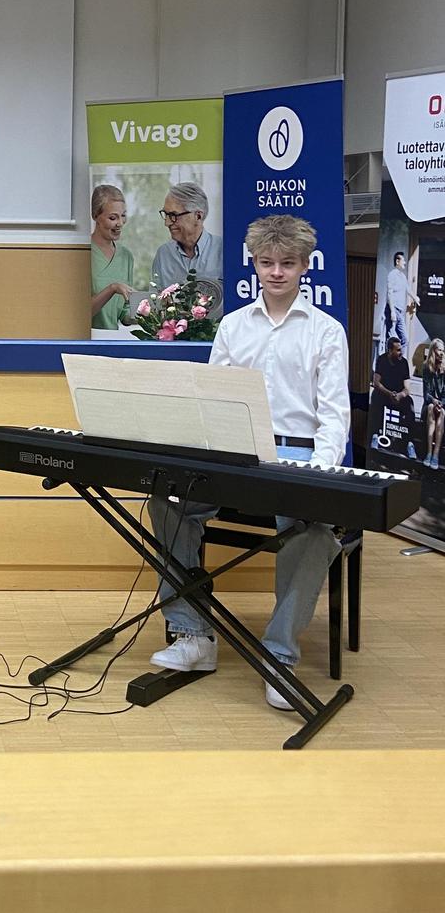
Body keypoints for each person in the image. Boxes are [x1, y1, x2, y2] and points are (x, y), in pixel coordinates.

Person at [148, 215, 350, 712]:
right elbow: (214, 402)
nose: (276, 272)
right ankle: (194, 634)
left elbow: (334, 415)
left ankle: (278, 655)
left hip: (300, 453)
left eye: (287, 263)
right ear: (254, 265)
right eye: (267, 263)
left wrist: (319, 471)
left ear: (305, 266)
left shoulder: (327, 332)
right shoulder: (233, 325)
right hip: (237, 450)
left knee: (314, 529)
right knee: (168, 501)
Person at [150, 182, 223, 303]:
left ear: (198, 216)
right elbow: (155, 302)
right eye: (166, 215)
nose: (167, 223)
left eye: (173, 215)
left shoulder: (223, 250)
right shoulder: (163, 254)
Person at [90, 184, 134, 330]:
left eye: (123, 216)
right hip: (84, 338)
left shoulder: (126, 257)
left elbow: (124, 315)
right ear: (95, 216)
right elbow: (78, 313)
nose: (120, 223)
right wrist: (112, 288)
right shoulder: (83, 254)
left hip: (111, 338)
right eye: (113, 218)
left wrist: (149, 313)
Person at [370, 337, 418, 460]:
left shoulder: (404, 363)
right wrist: (389, 393)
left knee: (410, 403)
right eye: (398, 350)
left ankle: (409, 443)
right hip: (385, 394)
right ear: (390, 351)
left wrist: (400, 395)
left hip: (399, 397)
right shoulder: (381, 360)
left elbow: (407, 388)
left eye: (401, 349)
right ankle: (375, 436)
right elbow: (376, 383)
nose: (401, 352)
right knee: (375, 396)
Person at [385, 251, 420, 349]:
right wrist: (392, 311)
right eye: (403, 260)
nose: (405, 262)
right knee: (391, 340)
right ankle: (390, 357)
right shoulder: (392, 275)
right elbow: (390, 293)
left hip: (399, 311)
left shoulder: (403, 276)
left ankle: (398, 358)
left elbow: (407, 289)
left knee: (404, 339)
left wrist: (415, 297)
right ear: (397, 261)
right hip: (393, 310)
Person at [423, 337, 445, 469]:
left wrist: (441, 403)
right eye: (439, 350)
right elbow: (426, 394)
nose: (442, 353)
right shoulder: (427, 367)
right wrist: (434, 401)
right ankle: (429, 453)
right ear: (433, 351)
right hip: (429, 405)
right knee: (431, 408)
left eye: (443, 351)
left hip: (442, 406)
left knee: (442, 413)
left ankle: (435, 455)